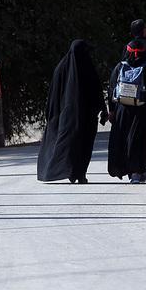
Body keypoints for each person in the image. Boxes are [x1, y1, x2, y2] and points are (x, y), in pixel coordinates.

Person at [37, 40, 108, 183]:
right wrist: (103, 110)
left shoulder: (61, 69)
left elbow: (52, 96)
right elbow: (97, 91)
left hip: (66, 117)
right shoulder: (87, 68)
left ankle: (71, 172)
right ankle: (78, 174)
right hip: (86, 116)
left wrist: (51, 115)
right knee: (83, 145)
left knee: (70, 143)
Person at [107, 19, 146, 184]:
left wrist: (112, 109)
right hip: (145, 108)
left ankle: (127, 169)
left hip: (123, 107)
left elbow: (112, 88)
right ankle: (138, 171)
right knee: (143, 138)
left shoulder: (121, 66)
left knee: (125, 137)